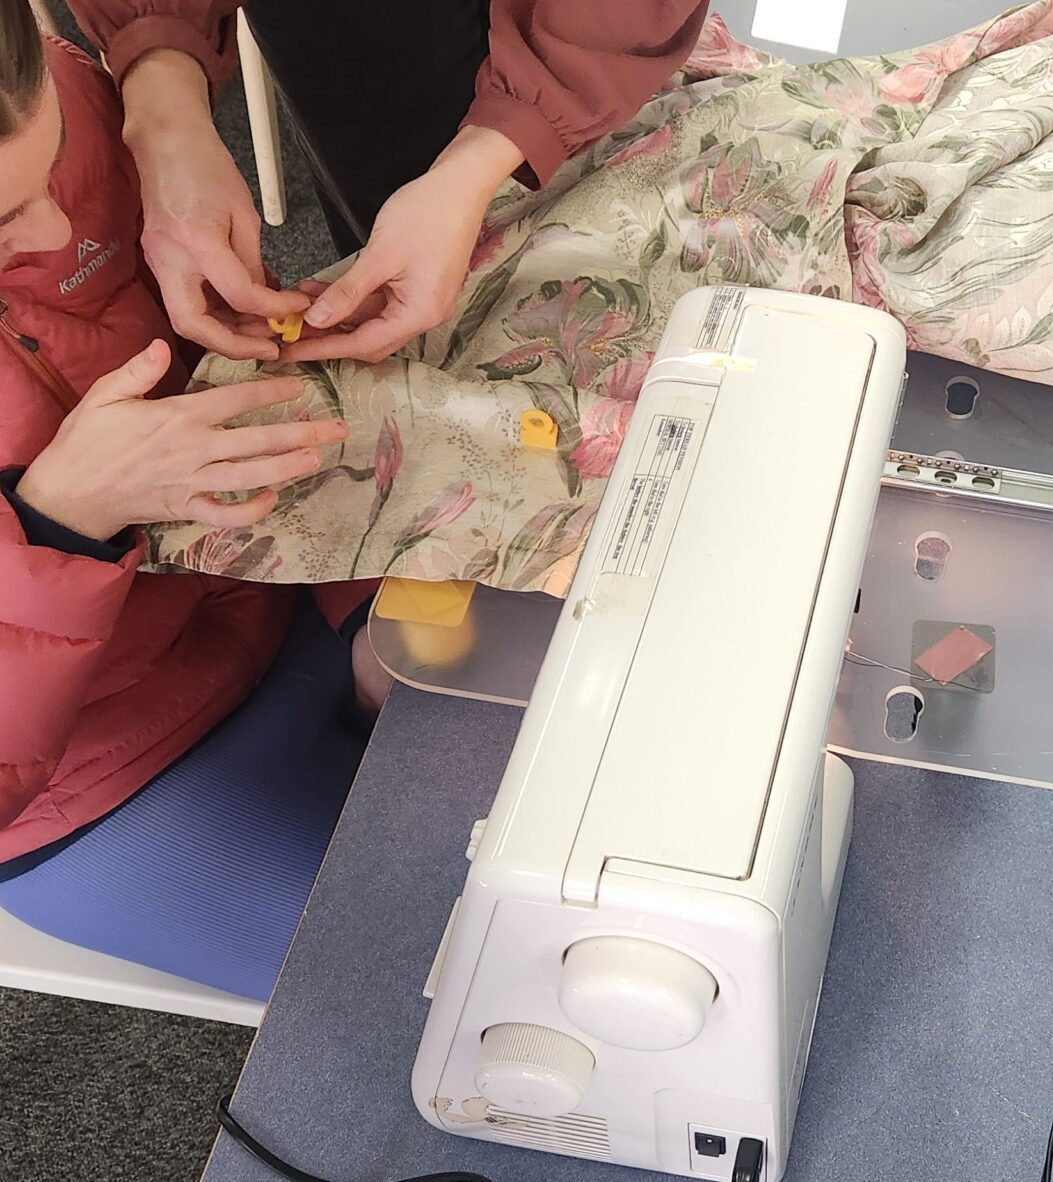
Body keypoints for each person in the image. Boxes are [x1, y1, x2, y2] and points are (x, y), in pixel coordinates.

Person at [0, 1, 384, 1001]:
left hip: (281, 575)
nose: (52, 230)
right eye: (1, 226)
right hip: (100, 781)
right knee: (438, 988)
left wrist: (159, 110)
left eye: (50, 166)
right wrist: (56, 524)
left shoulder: (56, 85)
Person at [70, 0, 710, 364]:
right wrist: (163, 114)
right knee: (396, 273)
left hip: (566, 37)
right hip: (337, 39)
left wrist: (483, 159)